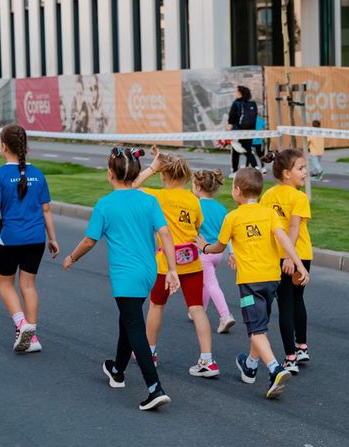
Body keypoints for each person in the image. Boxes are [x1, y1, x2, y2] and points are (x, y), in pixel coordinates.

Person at [63, 148, 177, 411]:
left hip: (126, 275)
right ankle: (117, 370)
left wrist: (72, 257)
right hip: (148, 272)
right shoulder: (148, 201)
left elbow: (90, 240)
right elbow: (165, 233)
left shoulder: (105, 204)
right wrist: (172, 269)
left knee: (135, 327)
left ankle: (154, 387)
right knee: (128, 318)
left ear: (110, 174)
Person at [200, 167, 308, 399]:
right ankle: (250, 365)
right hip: (272, 280)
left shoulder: (233, 217)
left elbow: (219, 246)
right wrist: (298, 264)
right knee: (260, 324)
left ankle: (274, 369)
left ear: (237, 191)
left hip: (250, 282)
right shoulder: (269, 214)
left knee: (256, 330)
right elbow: (284, 240)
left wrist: (204, 247)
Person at [132, 148, 219, 378]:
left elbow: (131, 188)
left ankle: (149, 352)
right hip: (191, 262)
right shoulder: (194, 200)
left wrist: (152, 167)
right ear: (187, 177)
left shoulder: (160, 197)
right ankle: (207, 360)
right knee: (197, 309)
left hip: (165, 263)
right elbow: (197, 227)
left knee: (156, 306)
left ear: (163, 175)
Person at [0, 124, 58, 354]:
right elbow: (46, 210)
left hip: (11, 238)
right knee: (28, 285)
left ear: (3, 146)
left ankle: (21, 324)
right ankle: (32, 335)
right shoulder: (38, 174)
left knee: (5, 284)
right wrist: (52, 238)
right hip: (36, 238)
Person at [260, 148, 311, 372]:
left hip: (288, 257)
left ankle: (292, 354)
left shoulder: (269, 195)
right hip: (298, 256)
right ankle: (299, 348)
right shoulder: (297, 197)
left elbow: (293, 227)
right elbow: (294, 227)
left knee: (288, 303)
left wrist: (288, 257)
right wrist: (292, 257)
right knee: (295, 301)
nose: (305, 172)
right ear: (287, 173)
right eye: (301, 168)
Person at [193, 169, 235, 335]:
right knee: (206, 282)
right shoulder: (221, 209)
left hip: (203, 252)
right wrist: (231, 253)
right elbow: (228, 234)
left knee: (210, 283)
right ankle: (199, 311)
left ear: (196, 187)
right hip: (218, 253)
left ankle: (225, 315)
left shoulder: (196, 206)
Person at [226, 85, 260, 172]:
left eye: (236, 91)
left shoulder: (236, 103)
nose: (235, 93)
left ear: (240, 93)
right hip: (249, 131)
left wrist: (230, 125)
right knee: (248, 149)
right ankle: (255, 167)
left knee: (235, 150)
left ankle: (234, 170)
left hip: (238, 130)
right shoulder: (252, 104)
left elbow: (232, 116)